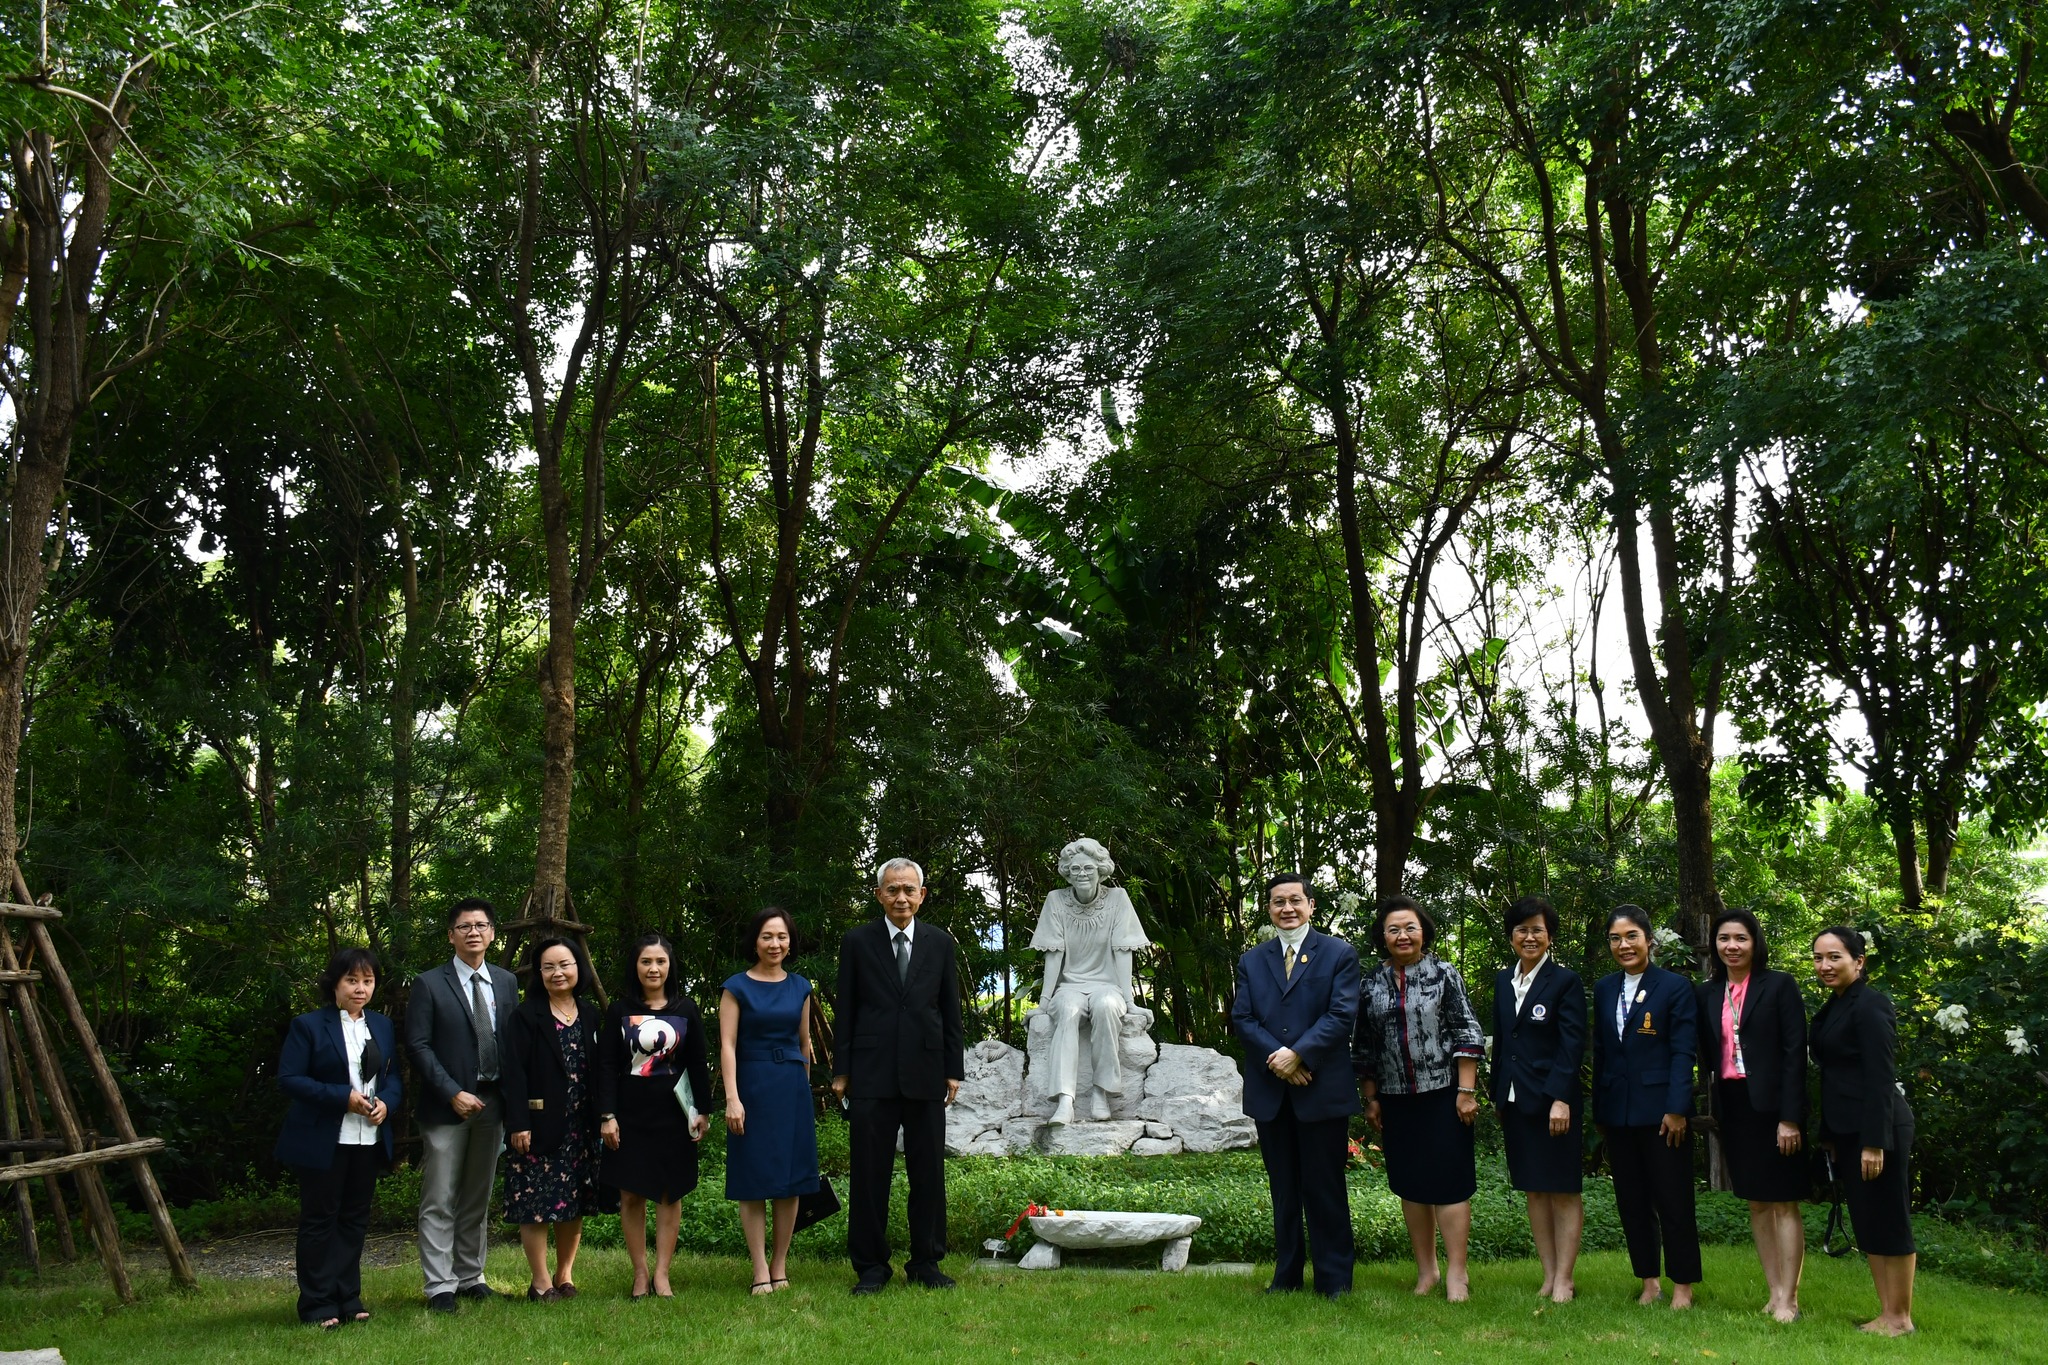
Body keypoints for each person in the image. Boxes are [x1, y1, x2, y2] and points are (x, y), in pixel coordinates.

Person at [832, 858, 966, 1294]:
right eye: (892, 890)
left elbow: (950, 1009)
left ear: (922, 895)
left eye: (909, 889)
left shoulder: (940, 943)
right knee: (870, 1174)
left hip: (927, 1074)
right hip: (871, 1075)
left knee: (928, 1172)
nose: (901, 897)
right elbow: (846, 1009)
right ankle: (871, 1267)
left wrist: (953, 1068)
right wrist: (842, 1070)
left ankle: (926, 1261)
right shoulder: (857, 942)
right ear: (879, 895)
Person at [1230, 872, 1361, 1299]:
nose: (1287, 908)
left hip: (1321, 1089)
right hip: (1273, 1091)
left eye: (1294, 901)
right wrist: (1280, 1060)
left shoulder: (1339, 953)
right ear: (1268, 910)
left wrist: (1299, 1054)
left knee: (1324, 1186)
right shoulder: (1252, 960)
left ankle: (1334, 1279)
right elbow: (1243, 1018)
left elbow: (1341, 1015)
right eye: (1277, 902)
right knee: (1284, 1188)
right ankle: (1286, 1275)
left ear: (1311, 906)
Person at [1353, 895, 1487, 1301]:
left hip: (1445, 1095)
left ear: (1423, 931)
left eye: (1410, 927)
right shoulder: (1371, 982)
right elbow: (1365, 1046)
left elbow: (1467, 1031)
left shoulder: (1444, 973)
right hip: (1395, 1097)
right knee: (1411, 1186)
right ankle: (1427, 1272)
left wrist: (1466, 1091)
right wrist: (1371, 1098)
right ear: (1383, 937)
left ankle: (1457, 1274)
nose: (1402, 935)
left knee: (1449, 1183)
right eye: (1393, 929)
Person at [275, 947, 403, 1329]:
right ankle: (316, 1304)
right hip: (324, 1138)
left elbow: (392, 1077)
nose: (360, 988)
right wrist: (341, 1097)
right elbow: (290, 1079)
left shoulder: (381, 1025)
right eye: (352, 980)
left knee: (354, 1220)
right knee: (320, 1220)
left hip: (369, 1137)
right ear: (334, 983)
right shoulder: (309, 1025)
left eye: (368, 981)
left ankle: (348, 1297)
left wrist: (387, 1105)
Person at [405, 897, 521, 1312]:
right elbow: (417, 1045)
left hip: (493, 1103)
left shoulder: (506, 982)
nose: (474, 932)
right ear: (451, 935)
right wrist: (451, 1091)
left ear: (492, 933)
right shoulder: (429, 983)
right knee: (439, 1196)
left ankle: (471, 1275)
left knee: (477, 1194)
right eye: (464, 926)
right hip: (446, 1106)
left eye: (481, 925)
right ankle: (440, 1286)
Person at [1697, 907, 1808, 1323]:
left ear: (1755, 942)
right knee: (1757, 1204)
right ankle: (1773, 1291)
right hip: (1734, 1104)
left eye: (1740, 938)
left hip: (1776, 1109)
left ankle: (1790, 1299)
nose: (1732, 946)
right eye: (1724, 939)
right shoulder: (1706, 992)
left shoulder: (1779, 986)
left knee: (1783, 1203)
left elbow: (1796, 1054)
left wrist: (1791, 1117)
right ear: (1715, 946)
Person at [1592, 904, 1701, 1308]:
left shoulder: (1673, 987)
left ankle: (1684, 1287)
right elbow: (1601, 1052)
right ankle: (1649, 1282)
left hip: (1662, 1114)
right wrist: (1600, 1111)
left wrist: (1677, 1109)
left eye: (1631, 936)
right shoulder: (1604, 989)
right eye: (1616, 939)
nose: (1624, 945)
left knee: (1673, 1200)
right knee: (1632, 1202)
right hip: (1618, 1114)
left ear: (1649, 941)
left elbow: (1682, 1052)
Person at [1810, 925, 1917, 1336]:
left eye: (1834, 957)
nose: (1825, 965)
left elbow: (1879, 1078)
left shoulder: (1871, 1005)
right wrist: (1832, 1137)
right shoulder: (1837, 1004)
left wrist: (1875, 1143)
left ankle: (1900, 1318)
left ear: (1859, 961)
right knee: (1868, 1220)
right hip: (1847, 1131)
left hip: (1880, 1128)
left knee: (1890, 1218)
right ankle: (1886, 1313)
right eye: (1819, 958)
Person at [597, 933, 712, 1300]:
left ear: (669, 966)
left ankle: (662, 1273)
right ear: (636, 966)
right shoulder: (619, 1010)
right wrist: (607, 1114)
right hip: (630, 1113)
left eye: (660, 961)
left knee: (669, 1193)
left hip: (674, 1113)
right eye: (646, 961)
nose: (653, 968)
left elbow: (697, 1062)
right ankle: (640, 1273)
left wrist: (703, 1111)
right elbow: (606, 1066)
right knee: (631, 1194)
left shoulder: (685, 1008)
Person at [1490, 895, 1587, 1304]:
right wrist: (1496, 1094)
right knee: (1533, 1189)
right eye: (1522, 930)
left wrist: (1560, 1099)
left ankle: (1565, 1277)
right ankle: (1548, 1274)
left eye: (1537, 930)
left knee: (1562, 1189)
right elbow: (1502, 1042)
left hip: (1553, 1103)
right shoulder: (1502, 980)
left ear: (1550, 937)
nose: (1529, 937)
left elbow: (1572, 1044)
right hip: (1514, 1100)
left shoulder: (1565, 982)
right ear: (1512, 936)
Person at [501, 936, 608, 1302]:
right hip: (538, 1125)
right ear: (539, 972)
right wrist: (518, 1123)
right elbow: (512, 1073)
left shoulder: (591, 1013)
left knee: (571, 1202)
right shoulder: (526, 1015)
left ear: (579, 968)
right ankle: (540, 1282)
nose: (558, 972)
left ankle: (565, 1276)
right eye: (549, 966)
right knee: (536, 1205)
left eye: (565, 964)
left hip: (581, 1126)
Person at [723, 907, 823, 1295]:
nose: (775, 943)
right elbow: (727, 1046)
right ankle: (759, 1267)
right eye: (767, 936)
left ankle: (780, 1264)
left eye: (782, 937)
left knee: (790, 1182)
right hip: (750, 1086)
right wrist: (732, 1098)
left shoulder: (801, 986)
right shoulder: (736, 987)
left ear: (790, 942)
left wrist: (805, 1094)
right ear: (755, 940)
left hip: (791, 1089)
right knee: (753, 1181)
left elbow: (805, 1044)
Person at [1029, 837, 1150, 1125]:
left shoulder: (1118, 899)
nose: (1081, 873)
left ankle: (1101, 1092)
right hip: (1069, 987)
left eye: (1088, 868)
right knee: (1068, 1011)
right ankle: (1065, 1101)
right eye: (1075, 869)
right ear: (1067, 873)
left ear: (1100, 870)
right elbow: (1054, 955)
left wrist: (1130, 1002)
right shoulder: (1055, 900)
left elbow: (1123, 951)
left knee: (1108, 1007)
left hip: (1107, 986)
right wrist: (1044, 1003)